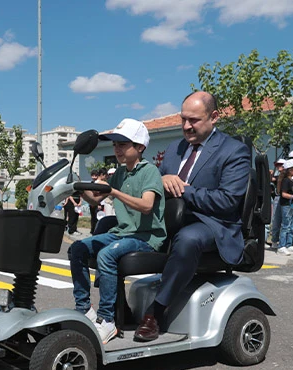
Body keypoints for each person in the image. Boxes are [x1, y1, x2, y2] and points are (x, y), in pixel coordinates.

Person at [134, 91, 250, 342]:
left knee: (188, 239)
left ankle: (156, 313)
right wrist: (161, 179)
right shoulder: (174, 149)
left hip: (212, 224)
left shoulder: (234, 151)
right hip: (171, 220)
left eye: (194, 120)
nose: (186, 126)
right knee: (111, 227)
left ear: (214, 117)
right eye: (183, 119)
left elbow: (227, 201)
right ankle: (111, 310)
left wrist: (183, 189)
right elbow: (155, 184)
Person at [70, 118, 166, 344]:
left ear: (140, 147)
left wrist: (113, 191)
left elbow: (147, 206)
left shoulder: (149, 171)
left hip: (146, 237)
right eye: (114, 145)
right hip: (122, 233)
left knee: (106, 254)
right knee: (77, 248)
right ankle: (84, 309)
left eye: (123, 144)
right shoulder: (120, 173)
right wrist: (78, 186)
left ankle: (107, 320)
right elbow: (95, 200)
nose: (117, 149)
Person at [276, 159, 293, 255]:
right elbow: (283, 194)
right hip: (287, 205)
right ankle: (281, 246)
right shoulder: (286, 181)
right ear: (290, 170)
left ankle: (289, 244)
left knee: (292, 226)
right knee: (285, 225)